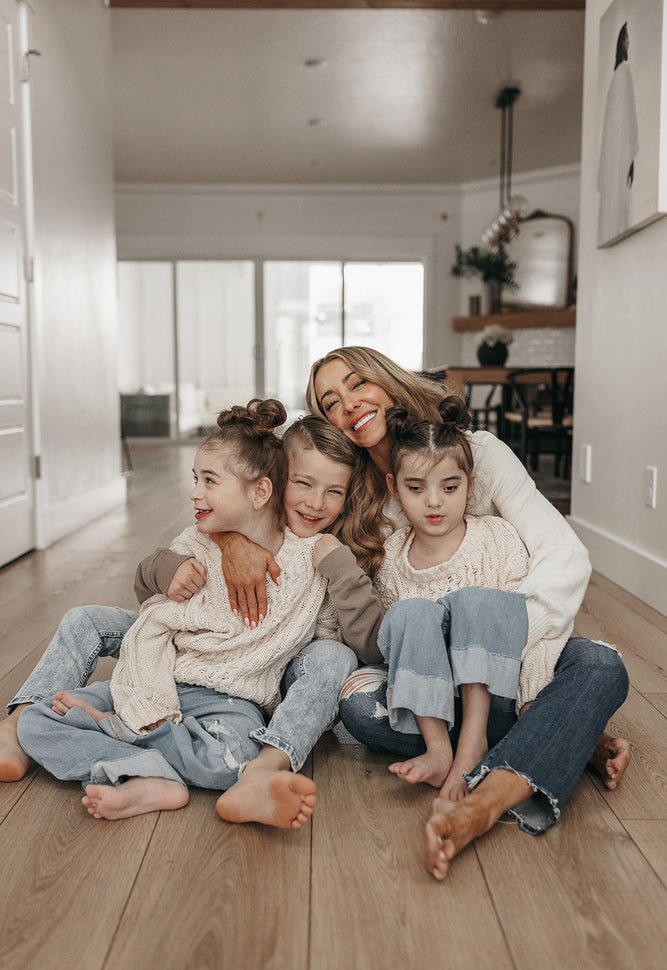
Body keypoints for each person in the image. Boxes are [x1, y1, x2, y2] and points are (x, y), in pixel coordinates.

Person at [303, 346, 630, 879]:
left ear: (387, 380)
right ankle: (559, 728)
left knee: (600, 666)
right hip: (431, 683)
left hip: (509, 655)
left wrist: (494, 647)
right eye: (330, 401)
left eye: (358, 383)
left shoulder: (476, 453)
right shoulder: (358, 499)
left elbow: (564, 555)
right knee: (361, 710)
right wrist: (232, 543)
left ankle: (486, 800)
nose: (350, 404)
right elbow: (283, 495)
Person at [12, 402, 378, 828]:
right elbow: (150, 596)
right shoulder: (205, 534)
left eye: (334, 491)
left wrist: (340, 569)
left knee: (233, 758)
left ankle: (130, 746)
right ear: (273, 483)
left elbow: (349, 644)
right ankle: (148, 764)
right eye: (302, 483)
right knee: (35, 722)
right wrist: (170, 567)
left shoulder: (318, 559)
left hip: (232, 698)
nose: (316, 502)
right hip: (160, 672)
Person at [355, 397, 571, 800]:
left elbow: (532, 628)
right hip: (430, 706)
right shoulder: (392, 561)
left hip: (500, 695)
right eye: (416, 488)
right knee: (405, 619)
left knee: (481, 604)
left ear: (470, 486)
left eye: (449, 488)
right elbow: (394, 648)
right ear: (394, 489)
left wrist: (532, 701)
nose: (433, 502)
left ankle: (473, 747)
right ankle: (439, 750)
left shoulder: (499, 539)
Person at [597, 21, 639, 247]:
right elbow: (629, 120)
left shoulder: (616, 78)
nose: (629, 44)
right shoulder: (624, 74)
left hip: (615, 158)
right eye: (628, 40)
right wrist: (630, 156)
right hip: (620, 154)